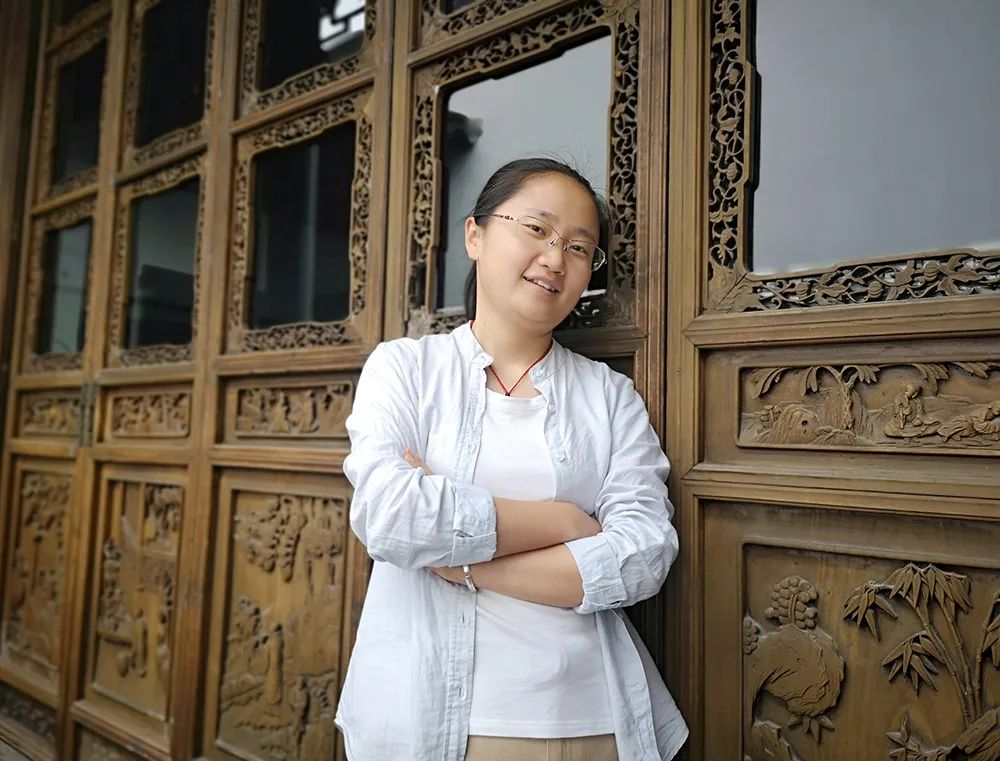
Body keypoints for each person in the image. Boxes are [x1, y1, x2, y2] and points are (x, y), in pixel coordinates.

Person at [335, 158, 687, 761]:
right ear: (475, 235)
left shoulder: (608, 396)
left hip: (590, 719)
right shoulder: (406, 369)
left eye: (579, 247)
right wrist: (565, 522)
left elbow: (644, 553)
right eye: (537, 229)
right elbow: (391, 517)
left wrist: (463, 565)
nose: (555, 257)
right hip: (428, 718)